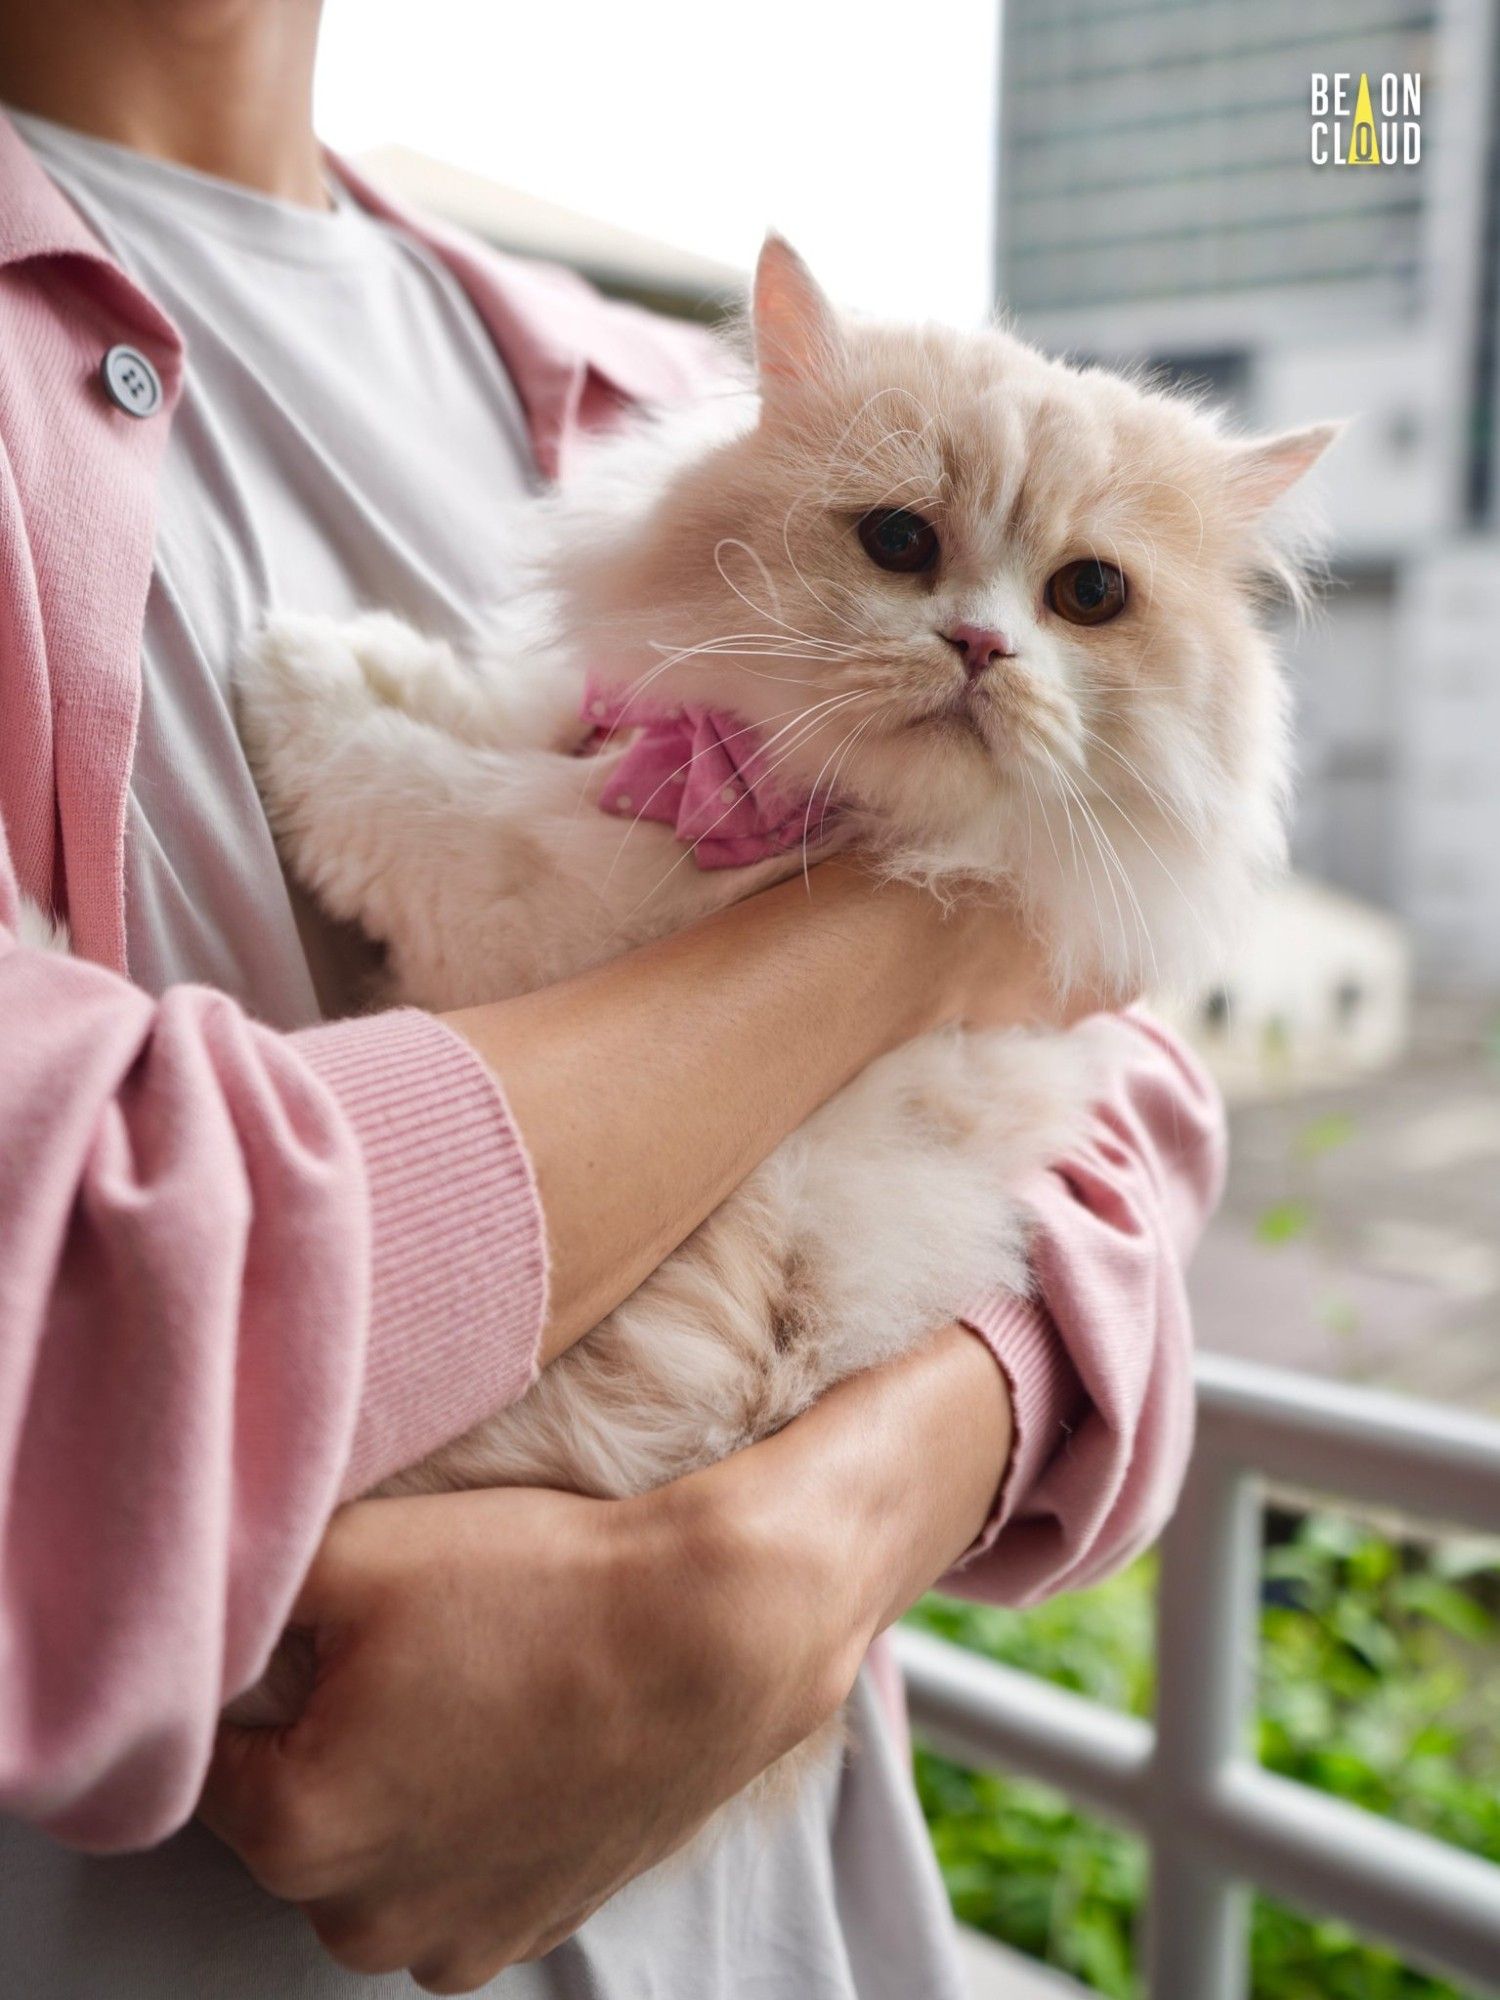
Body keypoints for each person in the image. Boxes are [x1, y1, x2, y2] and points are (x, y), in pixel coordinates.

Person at [0, 2, 1225, 1994]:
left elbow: (1140, 1099)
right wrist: (923, 932)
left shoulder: (631, 372)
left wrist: (797, 1555)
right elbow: (64, 1309)